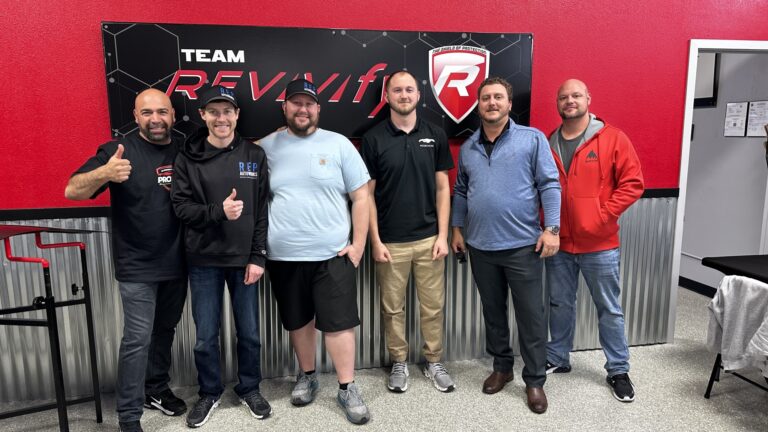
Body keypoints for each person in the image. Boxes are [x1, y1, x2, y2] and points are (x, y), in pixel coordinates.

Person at [65, 89, 187, 432]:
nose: (155, 119)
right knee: (137, 338)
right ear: (136, 117)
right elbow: (72, 190)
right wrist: (104, 173)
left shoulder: (184, 150)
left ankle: (156, 390)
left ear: (173, 116)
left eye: (162, 112)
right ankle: (129, 415)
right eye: (147, 113)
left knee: (165, 330)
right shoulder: (117, 151)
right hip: (137, 264)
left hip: (178, 261)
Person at [259, 79, 371, 425]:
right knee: (298, 321)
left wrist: (358, 247)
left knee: (339, 325)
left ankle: (346, 387)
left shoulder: (338, 145)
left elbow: (362, 197)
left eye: (309, 104)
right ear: (285, 108)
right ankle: (307, 377)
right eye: (296, 103)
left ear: (318, 109)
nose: (302, 109)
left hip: (332, 255)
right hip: (284, 256)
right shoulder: (265, 147)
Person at [450, 77, 561, 414]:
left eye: (498, 97)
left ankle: (535, 379)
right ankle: (502, 368)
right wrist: (457, 229)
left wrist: (552, 229)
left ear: (509, 104)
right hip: (481, 247)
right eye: (485, 98)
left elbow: (549, 184)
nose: (492, 103)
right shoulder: (469, 147)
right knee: (493, 313)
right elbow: (460, 191)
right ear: (478, 105)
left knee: (530, 316)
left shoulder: (532, 139)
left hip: (523, 247)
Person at [170, 85, 271, 427]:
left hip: (244, 260)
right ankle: (209, 392)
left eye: (227, 111)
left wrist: (258, 256)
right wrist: (218, 212)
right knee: (204, 336)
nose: (221, 118)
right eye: (214, 112)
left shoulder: (253, 155)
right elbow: (181, 208)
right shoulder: (187, 157)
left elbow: (260, 211)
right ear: (203, 116)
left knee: (251, 333)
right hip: (203, 260)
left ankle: (250, 388)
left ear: (237, 115)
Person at [544, 78, 644, 402]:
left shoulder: (612, 137)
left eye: (575, 95)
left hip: (600, 245)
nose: (569, 101)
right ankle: (558, 357)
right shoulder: (550, 142)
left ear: (588, 97)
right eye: (563, 97)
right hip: (560, 244)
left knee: (609, 309)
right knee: (560, 304)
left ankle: (618, 370)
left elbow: (633, 183)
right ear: (558, 104)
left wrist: (602, 216)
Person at [360, 70, 455, 393]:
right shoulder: (374, 139)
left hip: (430, 239)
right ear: (387, 97)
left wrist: (443, 235)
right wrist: (374, 240)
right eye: (397, 90)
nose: (404, 95)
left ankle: (433, 361)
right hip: (390, 242)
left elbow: (444, 188)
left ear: (418, 95)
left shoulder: (435, 134)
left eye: (409, 90)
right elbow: (367, 195)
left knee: (433, 306)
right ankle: (399, 361)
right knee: (392, 308)